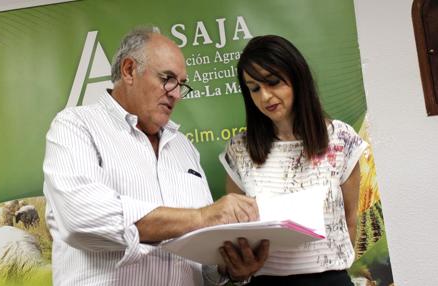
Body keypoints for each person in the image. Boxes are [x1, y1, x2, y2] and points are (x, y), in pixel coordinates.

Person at [42, 27, 269, 286]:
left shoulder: (184, 148)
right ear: (129, 70)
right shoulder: (76, 126)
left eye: (181, 84)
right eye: (168, 78)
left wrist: (229, 269)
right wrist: (200, 217)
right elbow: (80, 218)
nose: (176, 94)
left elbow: (202, 266)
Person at [219, 35, 368, 285]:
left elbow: (350, 221)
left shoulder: (341, 139)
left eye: (273, 82)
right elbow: (238, 231)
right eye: (254, 88)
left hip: (331, 279)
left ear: (297, 77)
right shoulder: (239, 149)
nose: (265, 96)